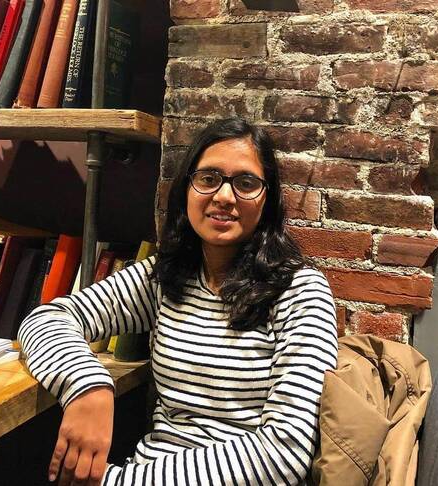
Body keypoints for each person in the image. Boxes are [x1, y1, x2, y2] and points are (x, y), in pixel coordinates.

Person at [18, 117, 338, 486]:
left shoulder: (300, 291)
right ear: (187, 189)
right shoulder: (168, 277)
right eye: (208, 178)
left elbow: (285, 453)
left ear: (267, 200)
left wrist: (122, 483)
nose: (224, 196)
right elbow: (49, 318)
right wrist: (88, 386)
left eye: (246, 183)